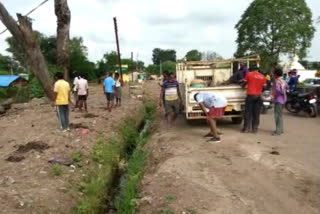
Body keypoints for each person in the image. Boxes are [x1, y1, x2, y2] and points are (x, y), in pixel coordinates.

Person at [242, 65, 266, 133]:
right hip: (258, 96)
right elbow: (264, 87)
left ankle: (246, 128)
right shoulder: (262, 76)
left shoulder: (249, 74)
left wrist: (242, 86)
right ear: (257, 70)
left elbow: (244, 83)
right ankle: (255, 129)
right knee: (256, 113)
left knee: (247, 112)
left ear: (251, 69)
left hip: (250, 96)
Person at [272, 68, 288, 136]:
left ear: (275, 74)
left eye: (274, 73)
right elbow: (287, 87)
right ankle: (280, 130)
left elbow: (278, 91)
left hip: (278, 100)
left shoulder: (277, 81)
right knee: (280, 116)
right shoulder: (283, 80)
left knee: (277, 116)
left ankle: (278, 131)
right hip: (283, 99)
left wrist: (274, 96)